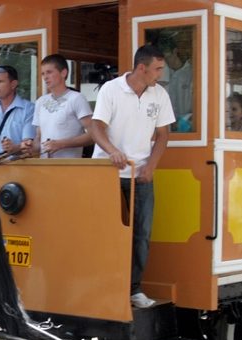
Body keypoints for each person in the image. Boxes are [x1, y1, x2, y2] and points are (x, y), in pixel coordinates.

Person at [90, 44, 175, 309]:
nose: (160, 74)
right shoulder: (111, 89)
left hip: (141, 175)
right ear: (142, 68)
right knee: (105, 233)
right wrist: (113, 151)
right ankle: (103, 287)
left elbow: (163, 135)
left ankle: (133, 289)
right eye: (157, 69)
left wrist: (152, 165)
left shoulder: (159, 94)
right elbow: (96, 126)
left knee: (141, 233)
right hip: (107, 173)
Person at [32, 54, 93, 158]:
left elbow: (93, 135)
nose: (45, 77)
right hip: (44, 168)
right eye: (43, 74)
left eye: (49, 72)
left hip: (68, 168)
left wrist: (61, 144)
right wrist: (28, 147)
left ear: (63, 73)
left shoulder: (77, 98)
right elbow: (38, 138)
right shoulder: (40, 102)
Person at [159, 35, 193, 131]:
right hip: (165, 128)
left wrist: (183, 121)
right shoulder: (161, 73)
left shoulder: (191, 74)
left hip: (187, 130)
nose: (165, 61)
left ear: (175, 51)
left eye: (167, 56)